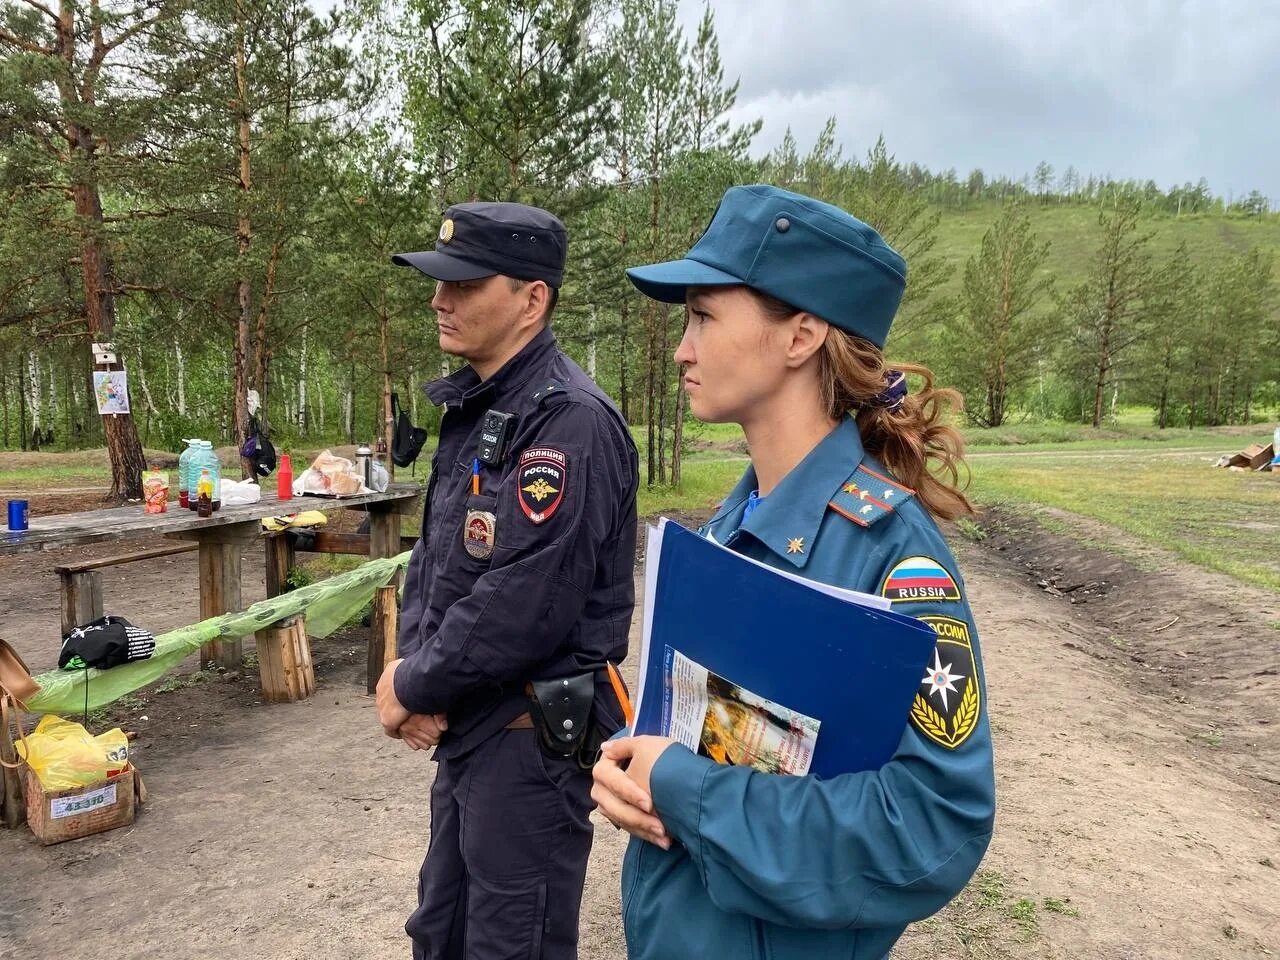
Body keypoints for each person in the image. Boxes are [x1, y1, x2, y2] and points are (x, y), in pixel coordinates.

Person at [591, 184, 996, 960]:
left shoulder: (893, 559)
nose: (682, 348)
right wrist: (637, 776)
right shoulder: (724, 528)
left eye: (705, 316)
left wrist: (687, 791)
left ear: (801, 336)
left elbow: (934, 822)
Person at [378, 201, 639, 960]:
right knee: (442, 932)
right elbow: (439, 564)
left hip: (527, 747)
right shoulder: (484, 404)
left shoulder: (570, 424)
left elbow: (524, 605)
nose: (440, 299)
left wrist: (415, 685)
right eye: (438, 281)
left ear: (532, 299)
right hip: (470, 733)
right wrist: (413, 678)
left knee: (509, 944)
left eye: (464, 283)